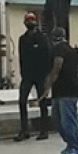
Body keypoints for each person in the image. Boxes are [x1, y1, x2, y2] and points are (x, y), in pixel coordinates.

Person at [42, 27, 78, 154]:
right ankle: (70, 143)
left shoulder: (61, 49)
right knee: (58, 119)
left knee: (67, 120)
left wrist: (48, 85)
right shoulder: (70, 49)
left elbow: (57, 65)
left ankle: (75, 147)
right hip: (60, 91)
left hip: (67, 90)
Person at [15, 13, 51, 141]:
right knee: (22, 101)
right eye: (28, 20)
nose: (30, 23)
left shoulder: (42, 38)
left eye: (32, 20)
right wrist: (23, 73)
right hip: (27, 75)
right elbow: (21, 57)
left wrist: (47, 75)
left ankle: (44, 130)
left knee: (42, 101)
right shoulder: (22, 39)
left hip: (40, 74)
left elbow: (47, 56)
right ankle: (24, 130)